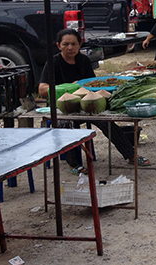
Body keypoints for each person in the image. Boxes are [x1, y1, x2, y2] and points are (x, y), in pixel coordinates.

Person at [39, 29, 149, 173]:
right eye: (66, 44)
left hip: (85, 103)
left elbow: (91, 83)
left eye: (74, 44)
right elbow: (42, 89)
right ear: (59, 45)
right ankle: (74, 164)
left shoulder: (83, 60)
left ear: (80, 45)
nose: (70, 48)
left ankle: (131, 155)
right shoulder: (53, 63)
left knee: (106, 120)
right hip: (62, 106)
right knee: (67, 123)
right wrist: (68, 87)